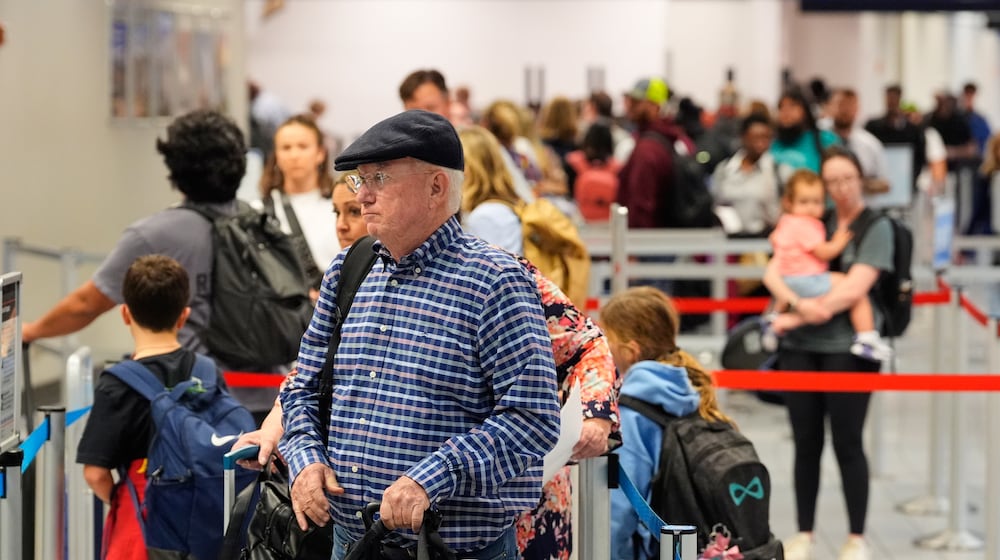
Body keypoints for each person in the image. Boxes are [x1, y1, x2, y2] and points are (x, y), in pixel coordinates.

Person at [278, 110, 561, 559]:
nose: (364, 194)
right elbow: (302, 389)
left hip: (452, 549)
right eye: (360, 180)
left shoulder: (495, 282)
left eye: (380, 178)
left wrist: (431, 477)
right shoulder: (348, 270)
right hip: (351, 544)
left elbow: (532, 419)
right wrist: (304, 457)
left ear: (436, 187)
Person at [21, 110, 244, 360]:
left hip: (197, 389)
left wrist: (31, 331)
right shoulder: (258, 223)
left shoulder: (154, 234)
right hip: (272, 390)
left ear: (175, 168)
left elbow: (86, 304)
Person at [763, 147, 891, 560]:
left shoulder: (876, 226)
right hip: (801, 349)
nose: (839, 188)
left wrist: (803, 311)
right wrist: (799, 308)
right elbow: (774, 270)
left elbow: (857, 288)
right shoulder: (815, 219)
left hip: (847, 352)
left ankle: (856, 536)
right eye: (831, 181)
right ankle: (804, 532)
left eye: (846, 179)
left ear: (861, 178)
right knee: (806, 442)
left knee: (848, 443)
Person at [76, 255, 231, 560]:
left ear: (125, 314)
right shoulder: (207, 372)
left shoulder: (117, 384)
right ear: (183, 316)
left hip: (141, 524)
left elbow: (95, 473)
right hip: (203, 519)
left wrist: (125, 499)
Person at [601, 286, 734, 560]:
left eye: (606, 338)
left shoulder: (631, 412)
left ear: (630, 351)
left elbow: (621, 512)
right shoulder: (692, 390)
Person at [764, 169, 893, 362]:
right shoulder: (807, 225)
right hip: (807, 281)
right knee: (848, 285)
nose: (810, 208)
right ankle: (866, 336)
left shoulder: (785, 222)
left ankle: (775, 319)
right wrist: (838, 243)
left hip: (790, 282)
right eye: (804, 202)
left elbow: (775, 260)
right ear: (788, 202)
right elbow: (823, 252)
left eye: (816, 202)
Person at [257, 114, 341, 290]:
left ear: (320, 153)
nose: (294, 155)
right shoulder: (259, 212)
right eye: (286, 148)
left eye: (303, 146)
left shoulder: (342, 208)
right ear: (276, 155)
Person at [616, 77, 695, 229]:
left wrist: (634, 247)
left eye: (637, 103)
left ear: (656, 106)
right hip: (663, 238)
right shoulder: (670, 140)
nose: (630, 107)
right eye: (630, 101)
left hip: (649, 243)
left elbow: (641, 204)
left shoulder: (648, 150)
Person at [710, 113, 782, 237]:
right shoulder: (725, 169)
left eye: (766, 138)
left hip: (763, 240)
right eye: (755, 138)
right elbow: (716, 203)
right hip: (729, 240)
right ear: (743, 137)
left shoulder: (776, 170)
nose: (760, 143)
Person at [770, 87, 839, 173]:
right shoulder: (772, 144)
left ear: (805, 110)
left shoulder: (825, 140)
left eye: (792, 106)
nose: (786, 112)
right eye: (781, 107)